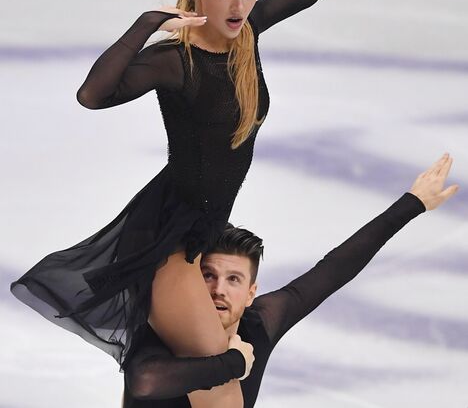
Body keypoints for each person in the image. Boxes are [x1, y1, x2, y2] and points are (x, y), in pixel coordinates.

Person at [10, 0, 398, 407]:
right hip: (166, 239)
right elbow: (93, 95)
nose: (240, 7)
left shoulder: (247, 34)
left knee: (215, 389)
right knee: (221, 386)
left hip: (204, 228)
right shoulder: (176, 61)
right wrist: (148, 23)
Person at [122, 153, 459, 408]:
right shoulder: (167, 326)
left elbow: (333, 270)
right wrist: (233, 364)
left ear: (252, 293)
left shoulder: (259, 325)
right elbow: (144, 381)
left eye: (234, 279)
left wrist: (412, 204)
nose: (218, 289)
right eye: (208, 275)